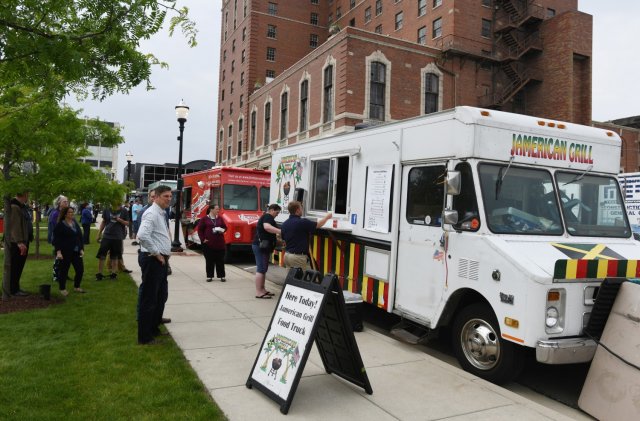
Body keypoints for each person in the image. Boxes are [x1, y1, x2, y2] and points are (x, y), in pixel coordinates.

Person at [136, 185, 173, 345]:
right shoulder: (151, 213)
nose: (169, 199)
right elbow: (142, 235)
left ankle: (154, 328)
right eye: (166, 196)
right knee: (149, 299)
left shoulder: (161, 213)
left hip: (160, 260)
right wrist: (157, 253)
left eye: (170, 196)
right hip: (152, 259)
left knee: (160, 296)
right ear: (156, 197)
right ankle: (145, 337)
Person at [281, 201, 332, 270]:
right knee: (300, 279)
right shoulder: (302, 222)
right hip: (298, 257)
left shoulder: (284, 224)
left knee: (290, 279)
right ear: (298, 210)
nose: (302, 210)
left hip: (287, 256)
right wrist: (327, 217)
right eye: (301, 208)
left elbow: (284, 239)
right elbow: (318, 225)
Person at [53, 207, 85, 296]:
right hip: (65, 251)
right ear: (65, 214)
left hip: (76, 251)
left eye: (72, 212)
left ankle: (77, 286)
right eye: (70, 212)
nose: (72, 214)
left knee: (80, 270)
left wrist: (81, 248)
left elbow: (79, 236)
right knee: (64, 271)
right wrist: (58, 252)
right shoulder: (60, 225)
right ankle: (62, 288)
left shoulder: (75, 223)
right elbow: (57, 240)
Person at [7, 191, 34, 296]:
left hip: (23, 241)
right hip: (17, 243)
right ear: (24, 195)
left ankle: (15, 287)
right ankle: (12, 289)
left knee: (19, 266)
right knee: (15, 266)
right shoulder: (15, 207)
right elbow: (15, 226)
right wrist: (19, 242)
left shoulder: (21, 206)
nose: (28, 196)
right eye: (28, 194)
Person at [252, 203, 281, 299]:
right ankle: (258, 292)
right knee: (261, 269)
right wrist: (280, 231)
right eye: (277, 212)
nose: (277, 214)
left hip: (263, 246)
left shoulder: (266, 216)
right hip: (261, 247)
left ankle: (262, 289)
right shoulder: (268, 217)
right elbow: (267, 227)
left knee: (263, 269)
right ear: (272, 210)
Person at [96, 202, 129, 280]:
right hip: (107, 236)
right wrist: (99, 233)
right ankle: (99, 274)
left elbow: (127, 223)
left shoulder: (124, 210)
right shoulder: (107, 209)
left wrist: (120, 220)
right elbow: (104, 222)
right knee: (102, 255)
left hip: (117, 237)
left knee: (115, 256)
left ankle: (113, 274)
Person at [197, 205, 227, 282]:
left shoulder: (220, 218)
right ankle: (209, 276)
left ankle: (222, 276)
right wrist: (203, 239)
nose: (218, 210)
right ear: (211, 209)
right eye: (217, 209)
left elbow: (225, 227)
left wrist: (222, 230)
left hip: (220, 243)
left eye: (218, 209)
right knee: (209, 260)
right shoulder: (204, 219)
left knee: (220, 260)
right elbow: (200, 230)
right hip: (208, 244)